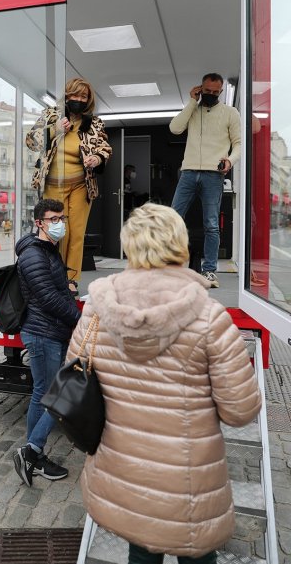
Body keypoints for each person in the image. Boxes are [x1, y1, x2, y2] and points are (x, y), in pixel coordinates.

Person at [68, 203, 261, 564]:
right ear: (181, 245)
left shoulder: (97, 309)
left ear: (130, 246)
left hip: (124, 475)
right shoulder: (209, 317)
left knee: (140, 551)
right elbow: (240, 410)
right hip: (188, 486)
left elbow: (74, 376)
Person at [13, 198, 81, 487]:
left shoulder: (47, 248)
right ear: (39, 222)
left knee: (44, 392)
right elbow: (48, 299)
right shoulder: (32, 254)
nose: (59, 224)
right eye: (54, 219)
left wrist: (67, 286)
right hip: (43, 333)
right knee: (57, 394)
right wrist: (79, 317)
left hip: (52, 331)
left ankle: (33, 455)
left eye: (61, 218)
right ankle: (31, 452)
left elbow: (53, 287)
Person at [27, 78, 112, 293]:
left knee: (76, 233)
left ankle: (71, 280)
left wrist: (97, 159)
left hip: (81, 185)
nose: (79, 100)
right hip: (53, 184)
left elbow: (105, 148)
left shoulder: (94, 123)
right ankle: (53, 276)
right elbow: (30, 141)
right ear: (67, 95)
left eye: (84, 97)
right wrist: (54, 129)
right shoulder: (51, 115)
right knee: (56, 232)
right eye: (75, 95)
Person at [170, 72, 241, 288]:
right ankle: (170, 267)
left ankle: (209, 271)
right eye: (206, 91)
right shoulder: (193, 110)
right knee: (172, 219)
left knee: (211, 224)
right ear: (200, 88)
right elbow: (175, 128)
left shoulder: (230, 113)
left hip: (213, 174)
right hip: (189, 171)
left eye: (215, 92)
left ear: (220, 91)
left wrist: (230, 160)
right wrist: (192, 101)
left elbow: (238, 143)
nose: (210, 94)